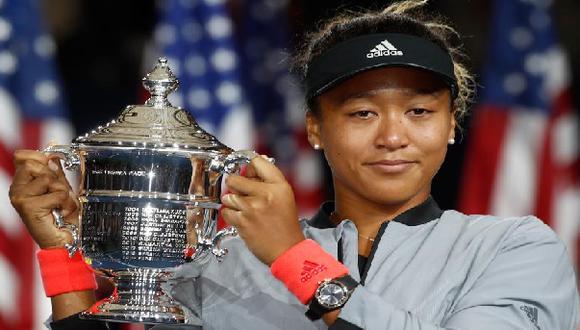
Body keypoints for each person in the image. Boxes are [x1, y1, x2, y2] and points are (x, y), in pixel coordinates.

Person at [9, 1, 579, 329]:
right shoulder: (224, 261)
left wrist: (292, 258)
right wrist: (61, 252)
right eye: (360, 113)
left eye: (419, 111)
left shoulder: (517, 247)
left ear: (451, 124)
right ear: (314, 128)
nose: (392, 136)